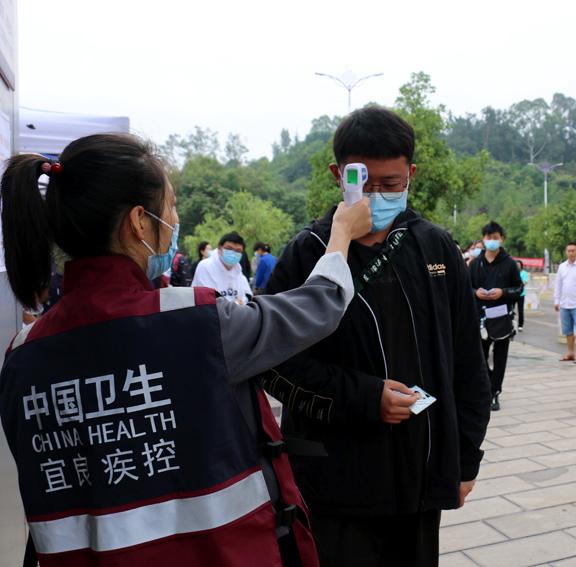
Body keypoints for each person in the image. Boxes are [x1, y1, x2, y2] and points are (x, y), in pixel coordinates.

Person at [0, 133, 372, 566]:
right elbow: (318, 306)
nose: (174, 222)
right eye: (171, 207)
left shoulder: (22, 355)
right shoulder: (197, 322)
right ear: (139, 222)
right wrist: (342, 231)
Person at [260, 107, 491, 567]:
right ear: (338, 174)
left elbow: (467, 359)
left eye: (392, 183)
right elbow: (272, 361)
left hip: (419, 478)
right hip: (335, 483)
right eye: (364, 183)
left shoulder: (435, 246)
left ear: (411, 174)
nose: (378, 196)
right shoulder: (309, 251)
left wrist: (465, 461)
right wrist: (364, 398)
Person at [469, 221, 524, 412]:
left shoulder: (509, 264)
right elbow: (465, 288)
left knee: (500, 359)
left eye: (495, 238)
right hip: (480, 318)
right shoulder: (475, 264)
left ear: (502, 239)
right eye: (488, 237)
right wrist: (476, 293)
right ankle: (487, 387)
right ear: (483, 240)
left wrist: (503, 292)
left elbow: (519, 288)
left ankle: (495, 392)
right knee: (480, 358)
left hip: (502, 318)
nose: (491, 241)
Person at [553, 242, 576, 364]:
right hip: (564, 303)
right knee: (567, 330)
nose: (571, 253)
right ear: (566, 252)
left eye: (573, 250)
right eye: (568, 251)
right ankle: (570, 352)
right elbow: (558, 284)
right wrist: (556, 300)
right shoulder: (562, 267)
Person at [191, 232, 253, 304]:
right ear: (220, 248)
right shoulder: (205, 266)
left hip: (235, 314)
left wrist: (242, 301)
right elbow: (209, 300)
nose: (233, 253)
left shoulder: (238, 270)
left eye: (238, 250)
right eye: (229, 248)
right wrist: (237, 304)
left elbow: (248, 294)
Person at [516, 260, 529, 331]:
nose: (517, 266)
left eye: (519, 265)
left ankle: (520, 325)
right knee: (510, 309)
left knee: (520, 310)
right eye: (516, 265)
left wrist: (517, 282)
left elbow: (524, 282)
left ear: (521, 265)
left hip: (521, 294)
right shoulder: (513, 272)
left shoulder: (524, 273)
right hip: (512, 294)